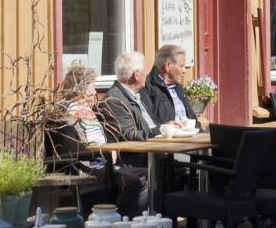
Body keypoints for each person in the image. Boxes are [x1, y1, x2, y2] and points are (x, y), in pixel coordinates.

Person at [53, 61, 139, 215]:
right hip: (88, 168)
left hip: (103, 163)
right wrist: (103, 153)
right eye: (92, 87)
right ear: (81, 89)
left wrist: (110, 150)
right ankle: (118, 223)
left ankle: (131, 220)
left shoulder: (88, 112)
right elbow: (71, 150)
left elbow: (104, 138)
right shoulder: (67, 115)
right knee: (132, 182)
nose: (94, 92)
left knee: (149, 175)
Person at [99, 51, 163, 144]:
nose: (147, 74)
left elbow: (151, 126)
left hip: (155, 149)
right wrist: (161, 130)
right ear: (136, 75)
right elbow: (130, 135)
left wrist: (167, 128)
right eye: (145, 71)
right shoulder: (114, 100)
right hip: (141, 155)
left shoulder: (138, 94)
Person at [140, 45, 199, 131]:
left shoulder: (178, 88)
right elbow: (149, 123)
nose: (184, 71)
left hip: (189, 138)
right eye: (181, 66)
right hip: (167, 141)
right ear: (167, 66)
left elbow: (192, 118)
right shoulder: (148, 87)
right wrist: (166, 127)